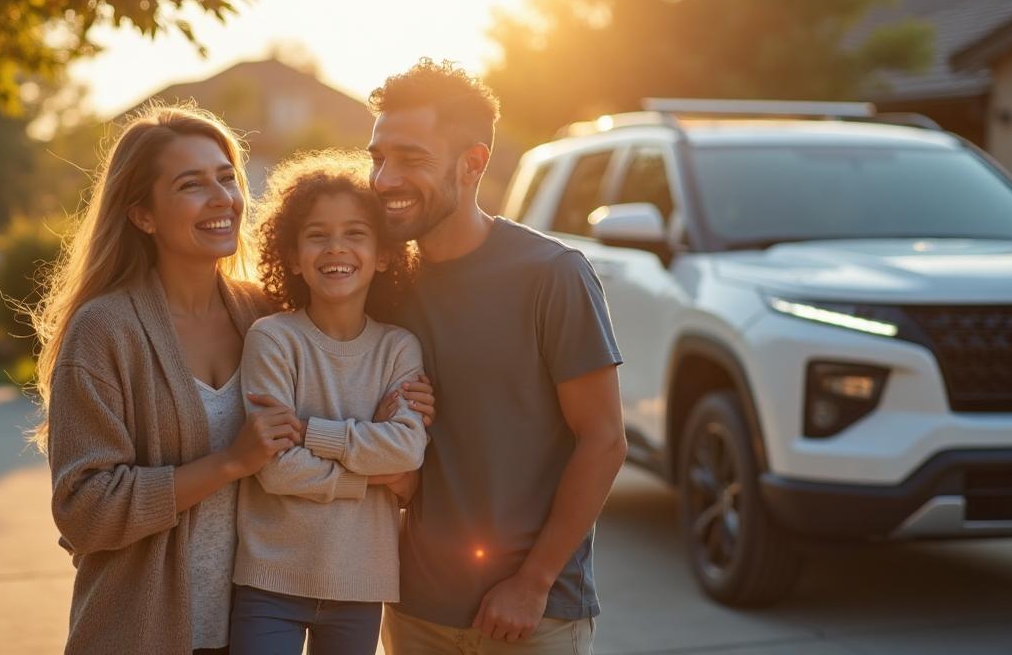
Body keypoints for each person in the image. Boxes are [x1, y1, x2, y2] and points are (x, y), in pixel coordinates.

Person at [32, 105, 434, 654]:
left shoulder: (262, 317)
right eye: (191, 185)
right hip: (144, 630)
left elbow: (344, 393)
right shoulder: (105, 330)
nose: (222, 199)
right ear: (143, 214)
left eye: (227, 178)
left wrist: (403, 417)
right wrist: (228, 463)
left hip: (254, 617)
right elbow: (83, 511)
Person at [367, 59, 628, 654]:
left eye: (411, 158)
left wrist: (532, 583)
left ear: (473, 163)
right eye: (378, 157)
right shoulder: (382, 282)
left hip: (532, 616)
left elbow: (604, 439)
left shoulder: (553, 275)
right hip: (411, 611)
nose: (384, 178)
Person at [230, 150, 428, 655]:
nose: (335, 247)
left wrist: (311, 431)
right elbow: (275, 469)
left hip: (362, 582)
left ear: (383, 253)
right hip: (269, 579)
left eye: (355, 233)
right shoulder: (272, 339)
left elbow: (406, 451)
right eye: (317, 234)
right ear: (293, 255)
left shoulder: (398, 348)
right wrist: (370, 470)